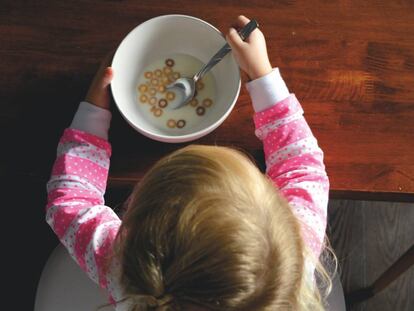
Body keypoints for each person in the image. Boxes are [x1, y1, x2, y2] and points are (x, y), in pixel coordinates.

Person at [46, 15, 340, 311]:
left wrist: (94, 108)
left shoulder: (122, 267)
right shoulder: (294, 256)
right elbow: (302, 167)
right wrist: (262, 74)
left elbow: (70, 202)